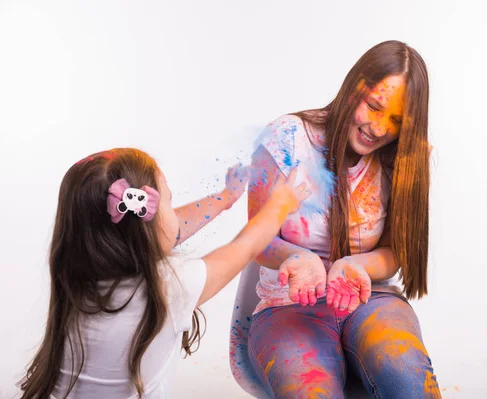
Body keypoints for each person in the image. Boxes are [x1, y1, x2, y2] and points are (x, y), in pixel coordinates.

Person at [19, 148, 309, 399]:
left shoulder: (78, 275)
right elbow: (244, 247)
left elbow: (166, 230)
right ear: (144, 225)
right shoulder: (168, 287)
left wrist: (224, 198)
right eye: (169, 202)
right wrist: (280, 204)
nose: (173, 211)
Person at [247, 40, 442, 398]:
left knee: (410, 381)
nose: (380, 128)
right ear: (354, 85)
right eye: (374, 106)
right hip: (287, 307)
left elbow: (395, 252)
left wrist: (357, 265)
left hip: (370, 301)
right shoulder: (286, 138)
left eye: (397, 120)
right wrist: (298, 257)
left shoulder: (401, 159)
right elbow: (254, 240)